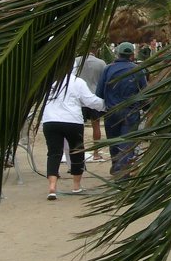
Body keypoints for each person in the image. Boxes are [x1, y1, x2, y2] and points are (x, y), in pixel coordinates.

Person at [41, 68, 106, 200]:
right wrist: (105, 105)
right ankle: (76, 185)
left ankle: (52, 187)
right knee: (77, 151)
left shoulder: (49, 81)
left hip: (50, 120)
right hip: (72, 121)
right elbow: (90, 101)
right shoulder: (77, 82)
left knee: (54, 153)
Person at [96, 41, 148, 175]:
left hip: (111, 112)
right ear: (131, 55)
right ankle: (122, 171)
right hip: (130, 112)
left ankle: (116, 167)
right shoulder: (138, 70)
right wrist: (148, 108)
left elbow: (99, 93)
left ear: (118, 53)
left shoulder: (108, 69)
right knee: (126, 143)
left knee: (113, 141)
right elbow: (144, 93)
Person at [74, 48, 107, 162]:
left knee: (78, 126)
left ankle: (78, 153)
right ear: (96, 51)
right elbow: (104, 80)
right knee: (96, 125)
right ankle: (96, 153)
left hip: (80, 98)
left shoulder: (77, 61)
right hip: (95, 97)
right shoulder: (101, 63)